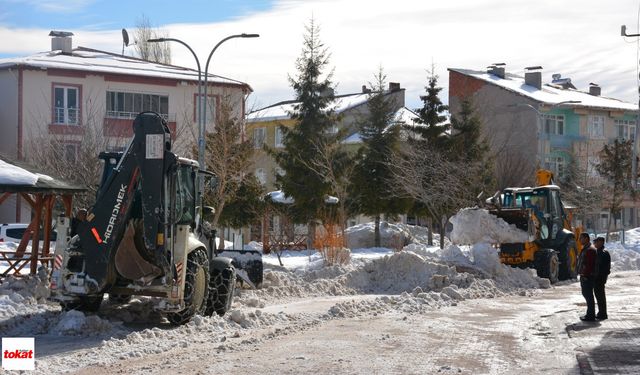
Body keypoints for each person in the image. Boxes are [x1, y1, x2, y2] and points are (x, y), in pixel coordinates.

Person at [577, 232, 597, 321]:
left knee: (588, 296)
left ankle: (590, 315)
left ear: (586, 238)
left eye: (581, 238)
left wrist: (585, 274)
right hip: (585, 276)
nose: (580, 240)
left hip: (588, 277)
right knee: (587, 295)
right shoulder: (586, 248)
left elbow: (590, 265)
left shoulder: (590, 249)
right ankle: (590, 314)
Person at [593, 237, 611, 320]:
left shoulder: (604, 253)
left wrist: (601, 277)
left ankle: (603, 313)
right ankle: (601, 312)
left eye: (596, 242)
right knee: (599, 295)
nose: (594, 243)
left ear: (601, 242)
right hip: (598, 278)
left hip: (600, 278)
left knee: (600, 296)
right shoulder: (598, 252)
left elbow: (605, 268)